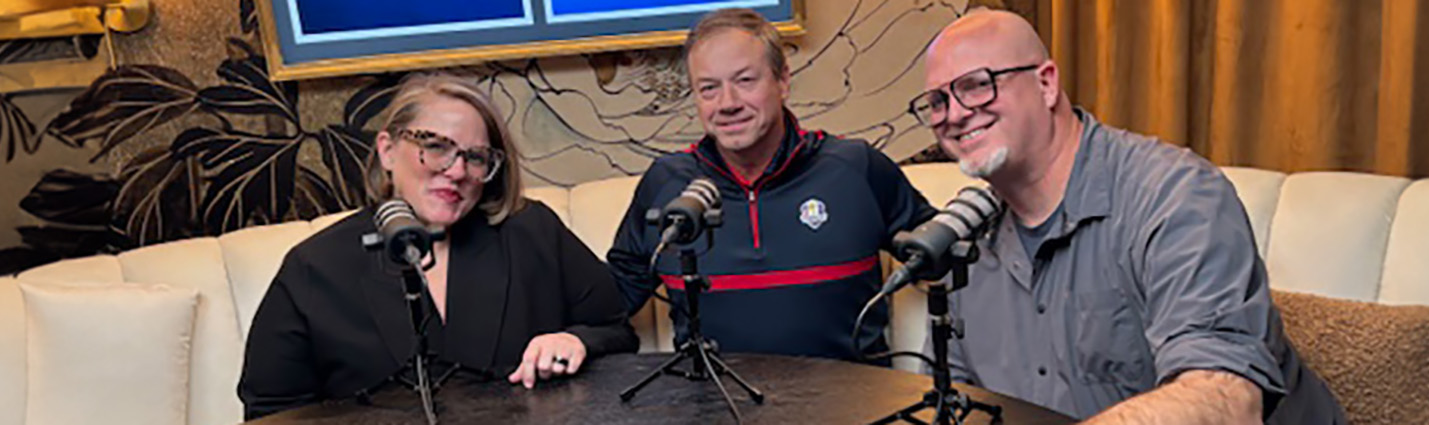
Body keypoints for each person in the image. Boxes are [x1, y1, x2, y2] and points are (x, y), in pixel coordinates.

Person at [914, 9, 1347, 424]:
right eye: (936, 101)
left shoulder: (1174, 196)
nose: (953, 115)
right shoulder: (965, 242)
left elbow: (1227, 401)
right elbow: (953, 402)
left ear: (1046, 84)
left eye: (976, 85)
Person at [238, 75, 639, 419]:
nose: (457, 170)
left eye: (476, 157)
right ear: (387, 150)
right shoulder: (315, 267)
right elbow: (272, 410)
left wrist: (576, 341)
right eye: (435, 145)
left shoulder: (532, 231)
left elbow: (616, 331)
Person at [606, 8, 937, 362]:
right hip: (711, 407)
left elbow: (947, 256)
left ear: (782, 81)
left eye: (745, 80)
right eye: (709, 88)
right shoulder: (666, 182)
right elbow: (611, 299)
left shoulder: (857, 168)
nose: (728, 103)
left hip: (854, 405)